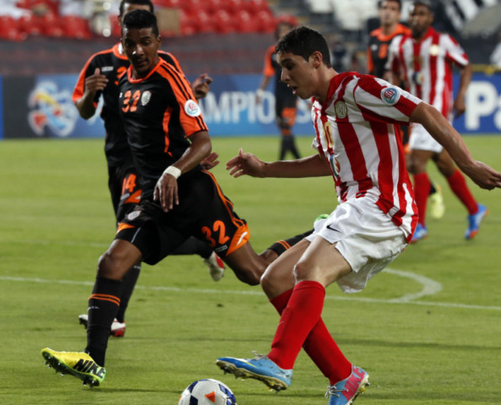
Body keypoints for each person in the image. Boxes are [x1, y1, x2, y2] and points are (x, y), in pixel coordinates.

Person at [215, 26, 501, 405]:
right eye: (280, 68)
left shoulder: (356, 87)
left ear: (317, 60)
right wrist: (267, 168)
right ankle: (343, 376)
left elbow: (424, 110)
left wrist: (467, 164)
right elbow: (329, 161)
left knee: (309, 270)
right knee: (275, 278)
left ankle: (279, 361)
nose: (284, 76)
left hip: (384, 206)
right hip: (355, 207)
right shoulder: (318, 106)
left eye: (289, 66)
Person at [41, 10, 311, 387]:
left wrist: (175, 168)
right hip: (155, 199)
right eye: (130, 43)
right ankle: (93, 360)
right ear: (122, 39)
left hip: (194, 194)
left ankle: (313, 238)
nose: (137, 50)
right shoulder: (120, 81)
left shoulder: (166, 73)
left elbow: (203, 141)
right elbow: (154, 130)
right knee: (112, 263)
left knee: (255, 272)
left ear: (158, 42)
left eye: (145, 42)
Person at [72, 0, 223, 338]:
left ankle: (114, 316)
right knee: (134, 234)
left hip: (151, 165)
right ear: (121, 20)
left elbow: (180, 104)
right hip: (118, 158)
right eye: (128, 15)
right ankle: (204, 245)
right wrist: (89, 97)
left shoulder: (163, 61)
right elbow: (83, 110)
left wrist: (189, 146)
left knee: (129, 232)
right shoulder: (100, 63)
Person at [386, 0, 482, 243]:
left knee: (416, 162)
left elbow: (466, 66)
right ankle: (474, 209)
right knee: (444, 164)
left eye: (422, 14)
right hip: (413, 110)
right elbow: (393, 71)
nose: (416, 18)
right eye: (413, 13)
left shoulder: (443, 41)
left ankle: (419, 225)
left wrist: (461, 96)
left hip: (436, 111)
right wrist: (392, 84)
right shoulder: (401, 44)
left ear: (430, 19)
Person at [368, 0, 445, 220]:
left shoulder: (406, 37)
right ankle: (414, 199)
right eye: (384, 8)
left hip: (403, 107)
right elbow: (372, 72)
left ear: (400, 13)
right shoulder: (373, 37)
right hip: (379, 106)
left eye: (393, 9)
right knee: (396, 159)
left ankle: (410, 206)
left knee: (404, 159)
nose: (388, 13)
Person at [256, 18, 301, 160]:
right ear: (278, 33)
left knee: (286, 125)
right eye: (282, 31)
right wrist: (260, 92)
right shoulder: (272, 52)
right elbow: (268, 73)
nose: (284, 33)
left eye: (287, 30)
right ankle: (295, 158)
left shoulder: (297, 52)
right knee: (282, 126)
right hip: (278, 93)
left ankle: (282, 159)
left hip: (292, 93)